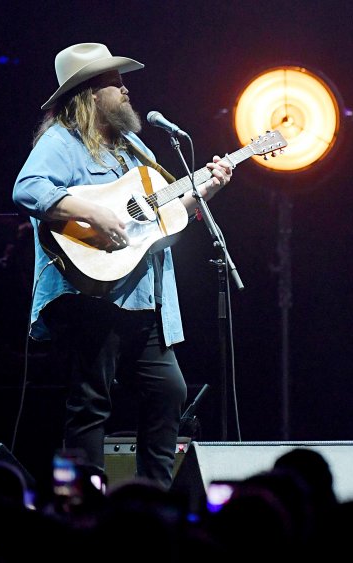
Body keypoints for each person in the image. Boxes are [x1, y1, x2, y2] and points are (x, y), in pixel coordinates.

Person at [12, 43, 234, 489]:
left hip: (142, 297)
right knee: (90, 403)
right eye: (116, 82)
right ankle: (76, 502)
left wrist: (207, 188)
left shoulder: (132, 146)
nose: (126, 89)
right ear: (92, 93)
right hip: (90, 295)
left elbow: (160, 215)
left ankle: (152, 498)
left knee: (168, 391)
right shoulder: (62, 140)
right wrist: (92, 212)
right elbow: (27, 188)